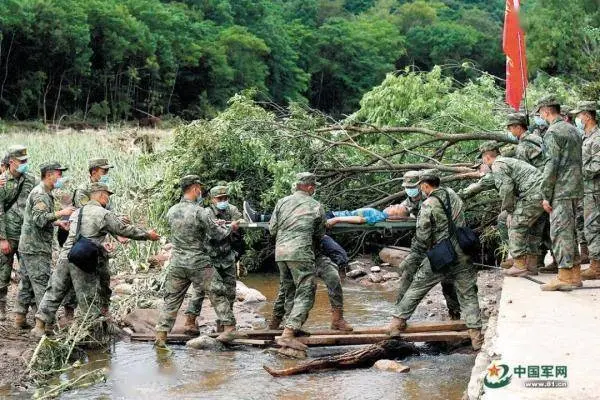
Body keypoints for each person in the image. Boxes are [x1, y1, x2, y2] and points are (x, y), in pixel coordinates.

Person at [32, 182, 160, 337]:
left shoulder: (78, 212)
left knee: (54, 290)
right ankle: (91, 335)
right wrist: (148, 235)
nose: (108, 198)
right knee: (88, 296)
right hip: (82, 258)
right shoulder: (102, 213)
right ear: (100, 195)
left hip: (66, 255)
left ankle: (39, 326)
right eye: (107, 195)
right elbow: (124, 230)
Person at [388, 173, 483, 350]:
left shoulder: (427, 205)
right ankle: (476, 337)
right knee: (468, 295)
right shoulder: (452, 194)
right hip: (463, 252)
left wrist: (415, 255)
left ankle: (396, 324)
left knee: (417, 287)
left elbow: (423, 236)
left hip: (442, 254)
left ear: (424, 186)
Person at [155, 176, 238, 347]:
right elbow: (217, 234)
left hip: (177, 262)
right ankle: (229, 328)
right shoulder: (199, 211)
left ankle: (161, 336)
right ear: (194, 189)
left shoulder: (171, 210)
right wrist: (230, 226)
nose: (200, 191)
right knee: (217, 290)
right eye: (199, 188)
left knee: (171, 299)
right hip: (198, 262)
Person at [269, 172, 325, 354]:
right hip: (300, 252)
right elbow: (319, 234)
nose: (314, 189)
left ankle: (289, 324)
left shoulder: (281, 202)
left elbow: (272, 229)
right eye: (314, 187)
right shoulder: (316, 205)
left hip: (281, 253)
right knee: (306, 291)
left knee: (289, 289)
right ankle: (288, 332)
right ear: (309, 188)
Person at [14, 162, 75, 329]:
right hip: (36, 248)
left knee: (26, 284)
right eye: (59, 174)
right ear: (49, 175)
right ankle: (46, 324)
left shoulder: (44, 192)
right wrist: (61, 213)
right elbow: (40, 220)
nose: (60, 178)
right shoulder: (41, 194)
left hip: (28, 246)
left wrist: (58, 223)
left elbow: (37, 219)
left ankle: (19, 319)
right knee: (42, 284)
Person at [534, 96, 584, 291]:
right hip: (575, 187)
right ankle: (575, 274)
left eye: (540, 112)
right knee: (571, 232)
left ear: (546, 111)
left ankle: (564, 275)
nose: (540, 116)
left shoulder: (553, 132)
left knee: (560, 232)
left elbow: (551, 165)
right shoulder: (573, 129)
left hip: (561, 189)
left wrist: (545, 193)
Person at [183, 184, 244, 335]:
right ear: (212, 199)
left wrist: (235, 227)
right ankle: (190, 321)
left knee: (230, 291)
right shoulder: (206, 213)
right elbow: (212, 234)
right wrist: (227, 227)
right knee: (199, 290)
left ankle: (223, 324)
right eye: (220, 198)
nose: (223, 201)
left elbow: (240, 224)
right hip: (209, 258)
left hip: (227, 256)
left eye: (225, 198)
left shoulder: (232, 210)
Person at [479, 142, 546, 276]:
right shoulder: (507, 161)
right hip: (542, 193)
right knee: (533, 229)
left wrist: (510, 211)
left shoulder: (498, 165)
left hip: (533, 195)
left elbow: (506, 189)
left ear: (486, 158)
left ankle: (519, 264)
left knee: (515, 225)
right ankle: (531, 265)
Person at [269, 234, 353, 332]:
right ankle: (278, 324)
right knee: (288, 288)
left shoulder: (315, 220)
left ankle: (337, 320)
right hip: (292, 253)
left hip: (313, 253)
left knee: (333, 277)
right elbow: (273, 231)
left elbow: (321, 230)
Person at [0, 145, 36, 321]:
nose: (25, 164)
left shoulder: (31, 180)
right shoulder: (3, 182)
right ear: (11, 162)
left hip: (27, 235)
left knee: (28, 272)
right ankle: (1, 309)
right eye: (21, 161)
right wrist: (2, 239)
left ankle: (26, 310)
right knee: (3, 273)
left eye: (26, 161)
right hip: (8, 234)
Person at [574, 102, 600, 280]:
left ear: (588, 116)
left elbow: (597, 165)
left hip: (595, 190)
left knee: (593, 227)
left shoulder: (597, 138)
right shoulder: (586, 136)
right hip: (587, 189)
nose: (578, 119)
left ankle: (596, 266)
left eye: (580, 115)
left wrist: (578, 171)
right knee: (588, 226)